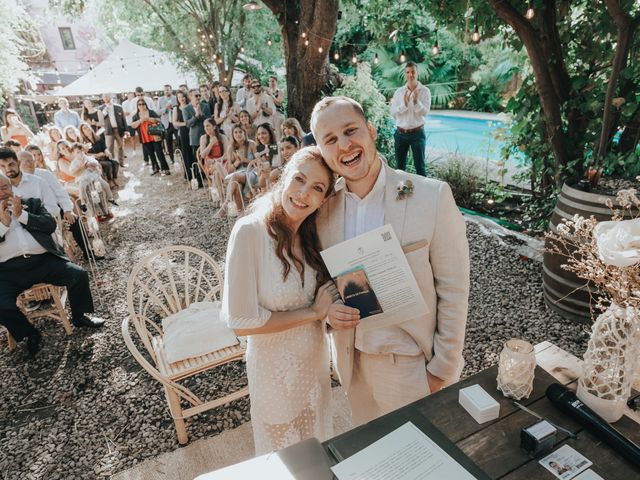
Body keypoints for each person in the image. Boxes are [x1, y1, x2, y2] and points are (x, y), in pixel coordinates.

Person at [310, 96, 469, 426]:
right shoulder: (321, 212)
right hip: (353, 365)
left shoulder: (432, 196)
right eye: (330, 139)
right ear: (322, 152)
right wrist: (328, 313)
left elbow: (454, 290)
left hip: (411, 364)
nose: (345, 145)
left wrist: (442, 369)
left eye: (351, 131)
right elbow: (320, 283)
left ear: (371, 131)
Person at [222, 147, 339, 455]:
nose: (303, 194)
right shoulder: (249, 233)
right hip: (273, 372)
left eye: (317, 188)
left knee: (315, 452)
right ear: (283, 177)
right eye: (299, 179)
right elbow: (242, 322)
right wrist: (313, 312)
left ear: (324, 199)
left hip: (314, 365)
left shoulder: (314, 237)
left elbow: (327, 299)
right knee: (285, 459)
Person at [0, 172, 105, 357]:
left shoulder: (30, 203)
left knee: (78, 275)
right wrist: (4, 225)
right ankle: (29, 333)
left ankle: (80, 316)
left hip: (43, 261)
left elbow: (49, 225)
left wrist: (21, 215)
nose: (1, 192)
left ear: (11, 187)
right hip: (9, 271)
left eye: (4, 187)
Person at [389, 62, 431, 176]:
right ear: (405, 74)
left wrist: (417, 102)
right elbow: (393, 113)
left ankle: (422, 193)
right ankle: (401, 193)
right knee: (399, 168)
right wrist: (405, 104)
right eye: (408, 72)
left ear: (417, 73)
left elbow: (425, 113)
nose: (410, 75)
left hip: (417, 134)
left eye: (413, 72)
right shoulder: (398, 92)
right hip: (400, 134)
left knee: (420, 168)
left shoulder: (425, 91)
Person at [0, 148, 58, 216]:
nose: (8, 169)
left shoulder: (39, 182)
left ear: (18, 163)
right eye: (3, 166)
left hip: (39, 224)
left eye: (11, 164)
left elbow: (54, 209)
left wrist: (31, 218)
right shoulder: (1, 190)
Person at [216, 126, 258, 217]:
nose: (238, 134)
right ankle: (241, 213)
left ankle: (225, 205)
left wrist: (244, 160)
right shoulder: (231, 148)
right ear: (232, 135)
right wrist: (237, 162)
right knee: (237, 185)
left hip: (252, 172)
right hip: (239, 173)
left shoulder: (251, 144)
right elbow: (230, 169)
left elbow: (258, 163)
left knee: (235, 177)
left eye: (240, 132)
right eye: (235, 132)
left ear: (244, 133)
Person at [131, 98, 170, 176]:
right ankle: (155, 168)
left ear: (146, 105)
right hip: (144, 137)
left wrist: (148, 119)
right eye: (140, 104)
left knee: (159, 152)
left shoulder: (151, 112)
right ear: (137, 106)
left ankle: (165, 169)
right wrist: (140, 121)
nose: (142, 106)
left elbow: (158, 119)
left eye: (143, 104)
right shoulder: (136, 116)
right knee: (151, 154)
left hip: (154, 136)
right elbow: (133, 125)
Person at [183, 89, 211, 187]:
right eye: (196, 96)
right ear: (190, 96)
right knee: (197, 159)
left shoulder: (205, 106)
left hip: (206, 136)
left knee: (207, 158)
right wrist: (196, 116)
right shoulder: (186, 109)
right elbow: (188, 124)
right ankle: (199, 181)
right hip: (194, 138)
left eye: (199, 95)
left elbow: (209, 120)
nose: (198, 97)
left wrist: (201, 114)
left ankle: (209, 178)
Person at [79, 123, 119, 188]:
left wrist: (107, 151)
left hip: (104, 156)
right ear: (83, 132)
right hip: (95, 160)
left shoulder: (98, 137)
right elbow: (85, 154)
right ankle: (109, 181)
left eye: (87, 127)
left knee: (116, 163)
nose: (87, 129)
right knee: (108, 164)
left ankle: (114, 178)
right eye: (84, 128)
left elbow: (104, 147)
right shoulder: (84, 143)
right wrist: (96, 155)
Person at [101, 93, 127, 167]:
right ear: (102, 98)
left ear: (110, 97)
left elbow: (123, 119)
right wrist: (105, 111)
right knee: (109, 148)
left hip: (119, 129)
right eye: (104, 97)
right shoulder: (101, 108)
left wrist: (126, 130)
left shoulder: (118, 107)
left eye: (107, 96)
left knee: (121, 146)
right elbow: (101, 119)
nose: (106, 98)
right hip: (108, 131)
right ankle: (112, 164)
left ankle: (121, 163)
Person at [254, 123, 279, 191]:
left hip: (278, 180)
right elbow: (259, 174)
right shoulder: (260, 150)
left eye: (264, 133)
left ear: (270, 134)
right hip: (265, 183)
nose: (261, 136)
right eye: (259, 134)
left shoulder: (278, 147)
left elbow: (280, 166)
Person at [172, 91, 191, 178]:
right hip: (183, 132)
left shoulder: (190, 106)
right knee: (185, 152)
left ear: (185, 97)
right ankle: (188, 174)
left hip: (192, 131)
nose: (181, 99)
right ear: (177, 99)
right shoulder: (176, 108)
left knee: (193, 151)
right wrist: (185, 123)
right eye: (179, 97)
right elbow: (174, 122)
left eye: (182, 96)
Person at [157, 84, 177, 163]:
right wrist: (165, 108)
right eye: (165, 90)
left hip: (175, 122)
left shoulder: (176, 98)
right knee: (168, 142)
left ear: (171, 90)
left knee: (179, 141)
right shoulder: (160, 100)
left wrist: (172, 108)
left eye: (168, 89)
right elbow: (158, 112)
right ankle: (172, 159)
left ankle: (181, 156)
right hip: (166, 124)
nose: (166, 91)